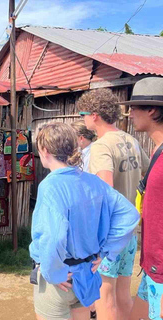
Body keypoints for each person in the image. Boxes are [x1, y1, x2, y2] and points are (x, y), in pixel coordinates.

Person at [30, 122, 139, 320]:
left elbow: (53, 237)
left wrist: (53, 273)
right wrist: (106, 250)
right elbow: (130, 215)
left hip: (61, 280)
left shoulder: (50, 186)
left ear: (44, 150)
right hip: (87, 275)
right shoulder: (93, 181)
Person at [77, 88, 150, 320]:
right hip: (129, 232)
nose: (83, 119)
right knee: (122, 295)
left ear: (95, 115)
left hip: (109, 234)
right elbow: (148, 172)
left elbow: (104, 190)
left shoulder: (100, 146)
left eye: (83, 114)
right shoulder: (131, 140)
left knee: (103, 297)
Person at [120, 77, 163, 320]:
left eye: (134, 107)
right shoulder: (156, 151)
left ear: (152, 109)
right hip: (151, 267)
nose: (129, 113)